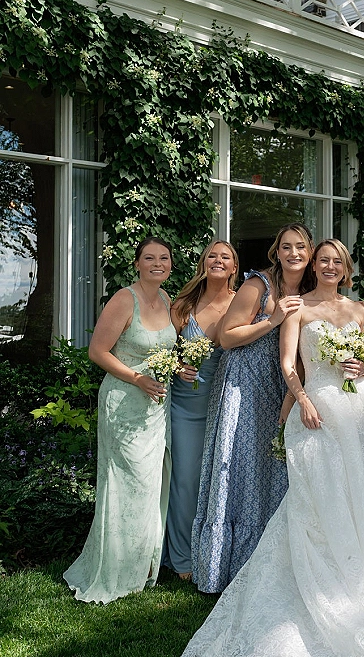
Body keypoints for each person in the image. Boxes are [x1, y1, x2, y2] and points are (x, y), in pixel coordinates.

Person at [181, 238, 364, 657]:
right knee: (313, 500)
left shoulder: (361, 311)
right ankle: (314, 587)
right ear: (316, 267)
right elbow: (287, 364)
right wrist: (302, 400)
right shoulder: (297, 306)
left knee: (361, 496)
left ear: (345, 268)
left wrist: (361, 365)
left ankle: (363, 585)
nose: (327, 265)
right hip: (318, 411)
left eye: (335, 260)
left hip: (362, 413)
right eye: (321, 259)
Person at [191, 222, 315, 593]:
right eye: (287, 247)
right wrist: (273, 320)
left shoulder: (311, 291)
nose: (294, 254)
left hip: (283, 386)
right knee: (240, 465)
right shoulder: (258, 285)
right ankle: (224, 566)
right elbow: (228, 336)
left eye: (301, 248)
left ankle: (270, 564)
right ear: (276, 252)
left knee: (274, 467)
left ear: (309, 254)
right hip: (243, 383)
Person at [64, 237, 176, 604]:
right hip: (125, 402)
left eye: (164, 258)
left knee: (150, 485)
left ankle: (143, 565)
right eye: (149, 258)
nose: (157, 263)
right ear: (136, 263)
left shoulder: (167, 300)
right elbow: (98, 351)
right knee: (126, 485)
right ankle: (115, 568)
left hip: (157, 406)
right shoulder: (123, 299)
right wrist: (137, 378)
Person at [162, 240, 238, 579]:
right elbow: (160, 350)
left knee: (219, 481)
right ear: (203, 264)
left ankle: (215, 551)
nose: (218, 260)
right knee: (186, 480)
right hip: (185, 405)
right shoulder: (182, 306)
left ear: (234, 268)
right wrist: (178, 365)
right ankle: (181, 559)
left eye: (225, 256)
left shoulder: (242, 303)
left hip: (224, 403)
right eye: (212, 255)